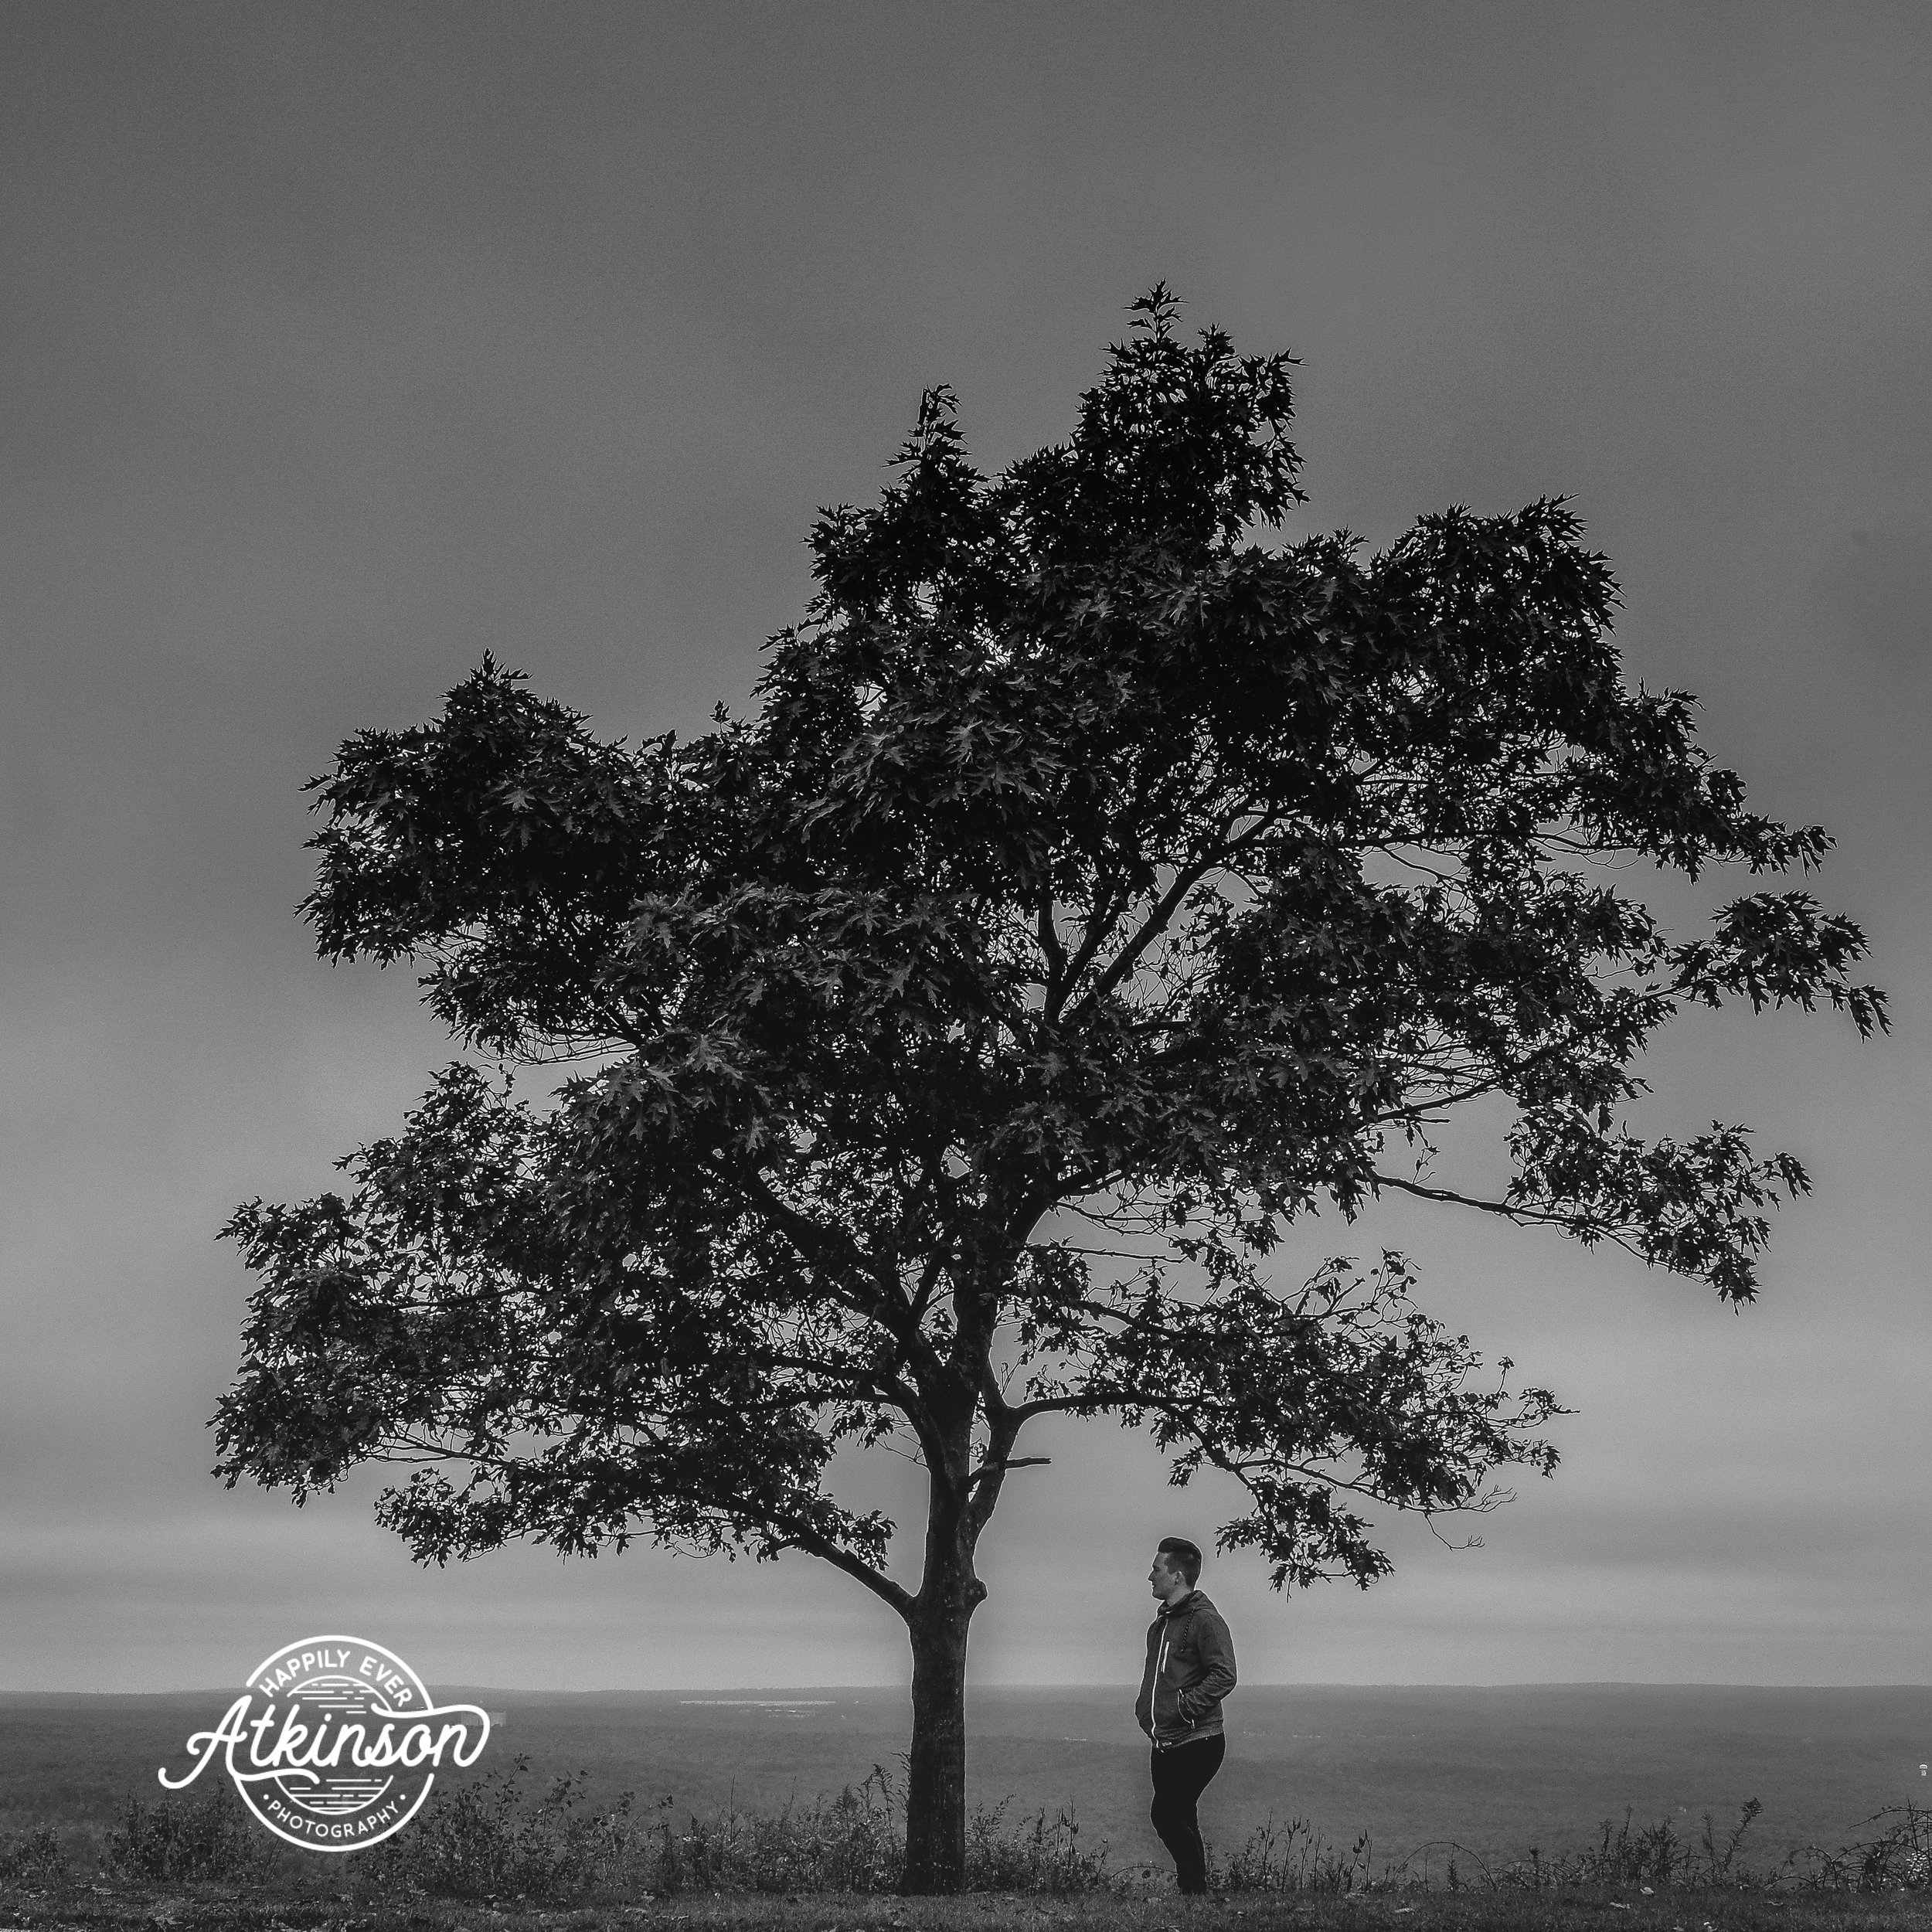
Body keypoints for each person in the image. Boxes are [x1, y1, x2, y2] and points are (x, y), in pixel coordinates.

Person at [1134, 1536, 1236, 1896]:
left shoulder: (1206, 1620)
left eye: (1157, 1569)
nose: (1150, 1576)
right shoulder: (1160, 1625)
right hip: (1164, 1741)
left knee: (1165, 1815)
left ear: (1177, 1576)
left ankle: (1194, 1889)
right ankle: (1193, 1893)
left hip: (1199, 1739)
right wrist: (1147, 1715)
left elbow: (1225, 1673)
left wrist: (1182, 1709)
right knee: (1182, 1815)